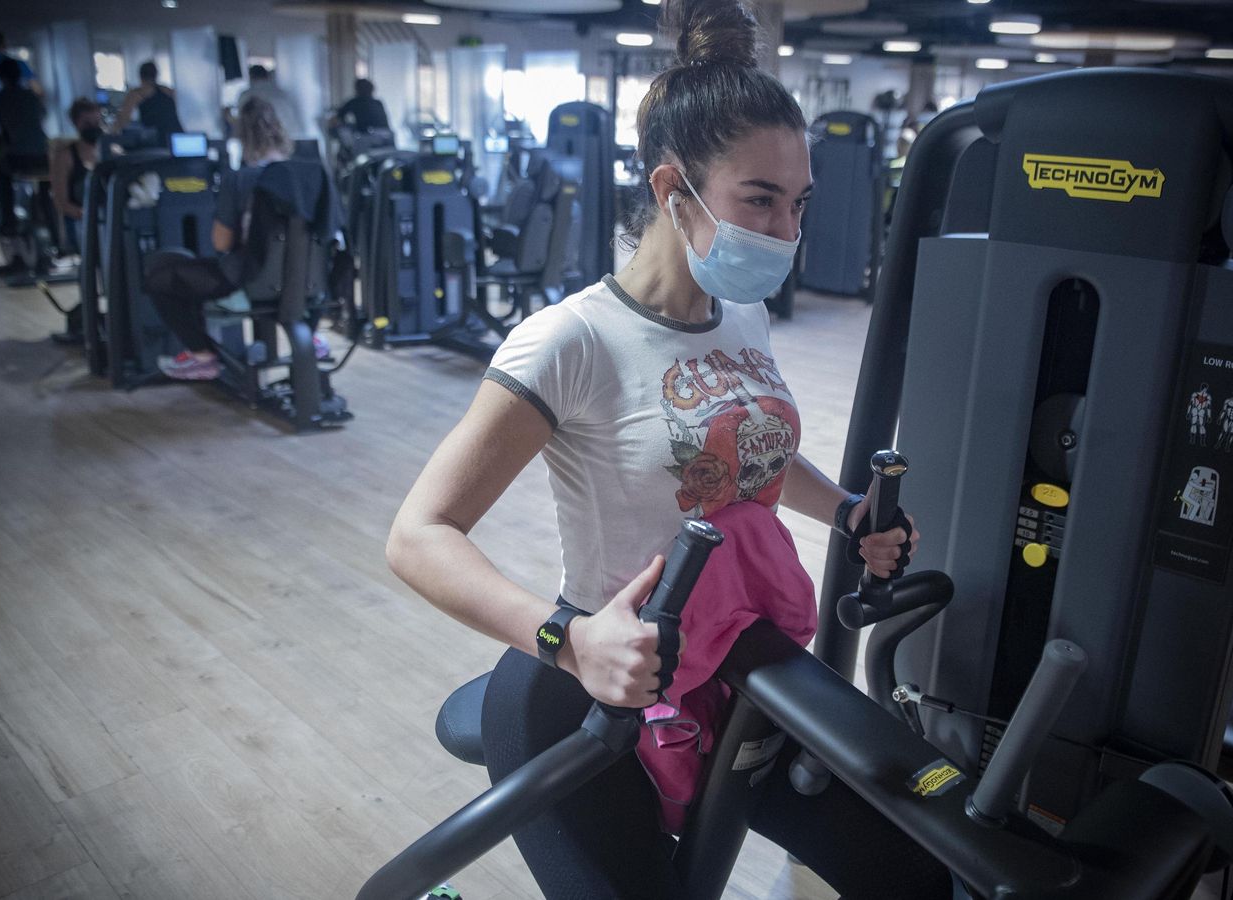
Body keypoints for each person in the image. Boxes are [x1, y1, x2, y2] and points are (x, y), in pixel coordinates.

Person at [383, 1, 953, 897]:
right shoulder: (569, 342)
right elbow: (419, 535)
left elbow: (746, 457)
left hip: (734, 658)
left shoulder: (744, 312)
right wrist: (568, 642)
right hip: (588, 687)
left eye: (797, 203)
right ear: (670, 190)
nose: (786, 233)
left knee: (914, 871)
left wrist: (846, 514)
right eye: (758, 200)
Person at [144, 98, 332, 380]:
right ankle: (312, 338)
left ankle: (202, 355)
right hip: (311, 282)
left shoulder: (240, 179)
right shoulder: (314, 177)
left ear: (241, 137)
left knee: (160, 277)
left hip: (250, 282)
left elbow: (220, 243)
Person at [0, 56, 51, 245]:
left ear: (0, 78)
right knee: (45, 184)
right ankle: (47, 216)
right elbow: (42, 116)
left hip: (18, 158)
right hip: (42, 157)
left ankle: (8, 221)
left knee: (0, 173)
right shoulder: (32, 96)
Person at [50, 97, 102, 254]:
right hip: (81, 221)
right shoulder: (65, 156)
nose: (93, 127)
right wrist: (88, 216)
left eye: (96, 123)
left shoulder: (111, 150)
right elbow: (61, 202)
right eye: (87, 123)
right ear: (76, 124)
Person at [113, 61, 185, 142]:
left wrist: (113, 133)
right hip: (178, 137)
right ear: (156, 75)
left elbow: (123, 118)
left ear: (140, 76)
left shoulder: (137, 94)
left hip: (158, 140)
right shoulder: (168, 91)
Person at [234, 65, 308, 141]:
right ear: (267, 76)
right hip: (291, 137)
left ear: (251, 77)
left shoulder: (246, 95)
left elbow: (242, 122)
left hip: (264, 142)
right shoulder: (281, 93)